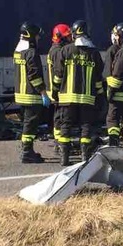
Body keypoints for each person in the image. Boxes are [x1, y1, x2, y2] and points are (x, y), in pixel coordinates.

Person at [54, 23, 105, 165]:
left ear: (74, 34)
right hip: (87, 98)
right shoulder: (94, 53)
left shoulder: (65, 50)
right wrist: (101, 96)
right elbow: (98, 78)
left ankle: (64, 158)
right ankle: (85, 156)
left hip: (67, 98)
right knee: (86, 126)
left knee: (65, 126)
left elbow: (58, 75)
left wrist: (54, 92)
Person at [14, 22, 51, 163]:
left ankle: (26, 149)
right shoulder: (31, 52)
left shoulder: (18, 51)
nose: (38, 39)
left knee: (26, 123)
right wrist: (43, 93)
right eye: (36, 36)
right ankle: (27, 152)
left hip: (21, 94)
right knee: (30, 124)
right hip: (31, 94)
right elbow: (34, 76)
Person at [48, 24, 73, 153]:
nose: (70, 39)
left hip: (56, 88)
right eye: (67, 37)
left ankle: (58, 142)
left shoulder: (55, 49)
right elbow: (59, 73)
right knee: (60, 118)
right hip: (59, 89)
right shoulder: (58, 51)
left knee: (58, 116)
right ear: (60, 37)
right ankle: (59, 143)